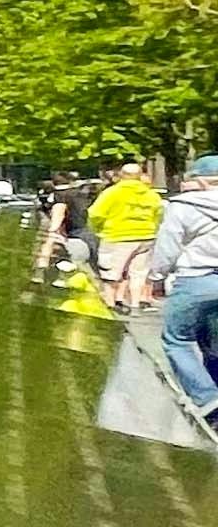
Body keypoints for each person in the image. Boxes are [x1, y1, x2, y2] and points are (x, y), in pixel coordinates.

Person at [153, 155, 218, 440]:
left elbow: (167, 247)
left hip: (196, 280)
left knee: (176, 340)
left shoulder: (183, 206)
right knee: (213, 343)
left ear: (201, 180)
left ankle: (208, 399)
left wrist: (156, 277)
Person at [95, 161, 166, 308]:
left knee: (111, 272)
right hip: (146, 237)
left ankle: (111, 304)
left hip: (116, 236)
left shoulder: (112, 193)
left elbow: (95, 214)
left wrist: (98, 229)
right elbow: (159, 215)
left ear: (121, 175)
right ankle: (135, 303)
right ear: (140, 176)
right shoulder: (151, 194)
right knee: (139, 273)